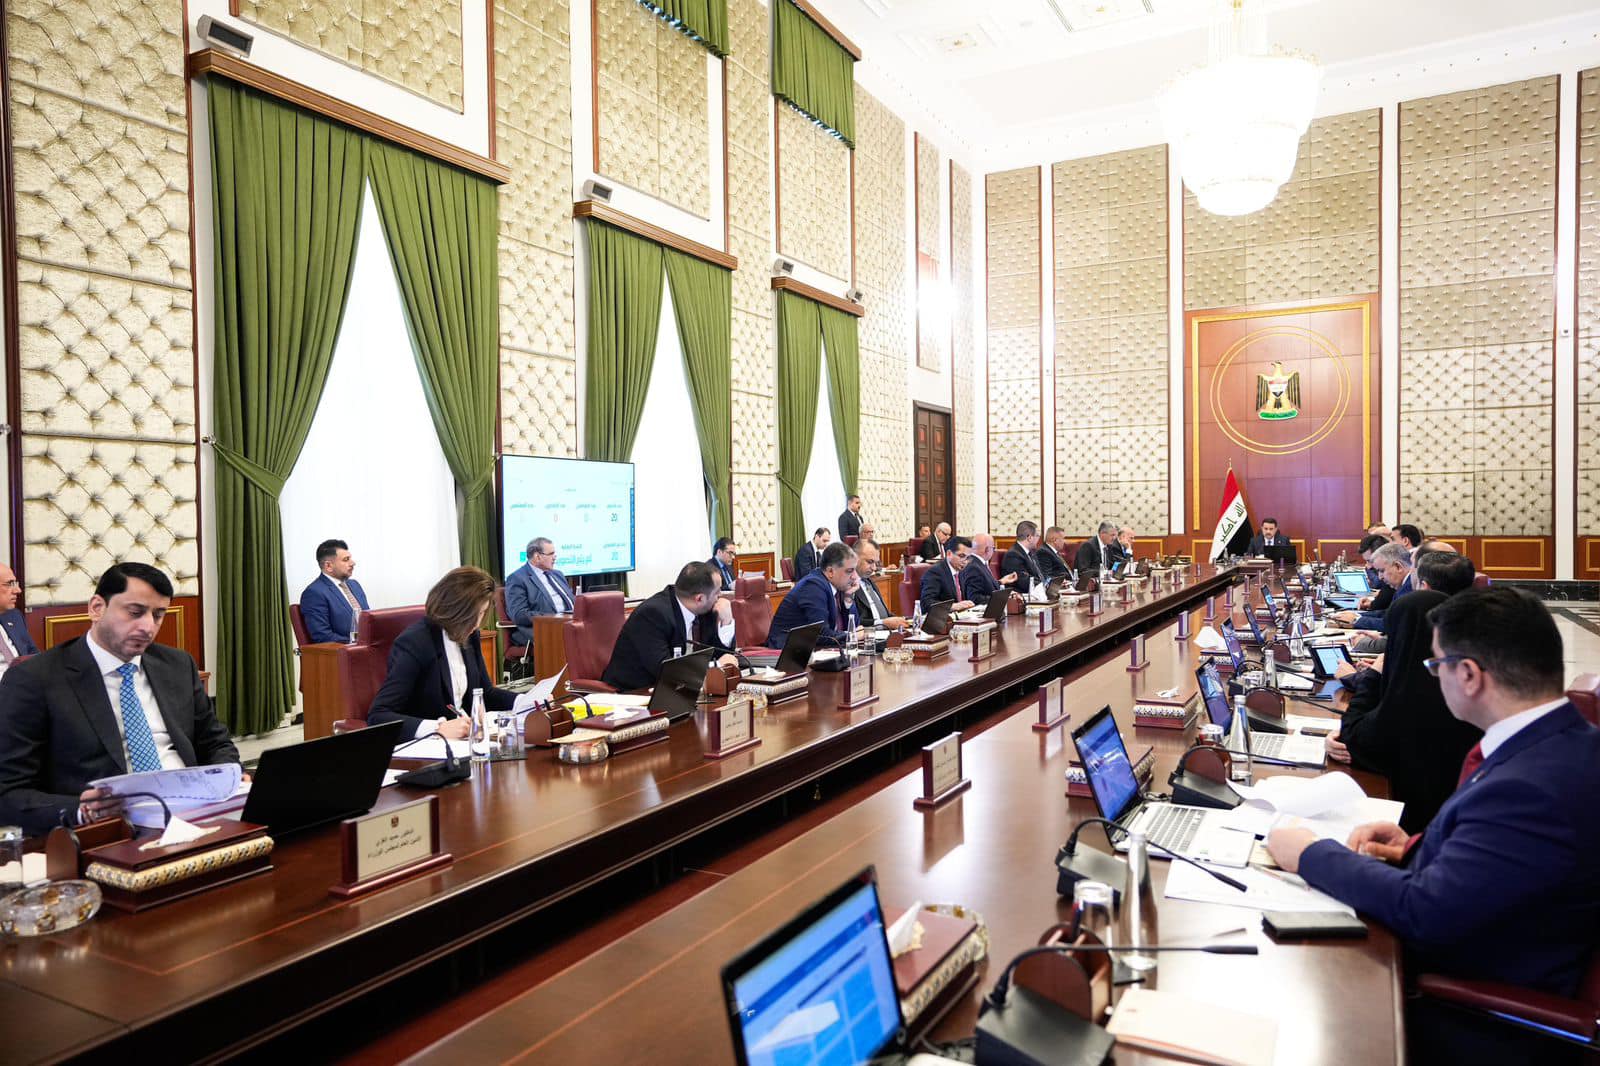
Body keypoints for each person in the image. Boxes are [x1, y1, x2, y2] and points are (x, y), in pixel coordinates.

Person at [1268, 587, 1600, 1062]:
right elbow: (1510, 861)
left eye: (1435, 665)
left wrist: (1309, 854)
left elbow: (1425, 913)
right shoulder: (1566, 741)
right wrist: (1416, 847)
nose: (1433, 676)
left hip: (1479, 1017)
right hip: (1497, 942)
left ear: (1468, 675)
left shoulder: (1528, 786)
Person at [0, 563, 241, 835]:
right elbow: (8, 792)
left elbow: (216, 742)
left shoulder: (177, 665)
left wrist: (230, 777)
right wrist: (79, 809)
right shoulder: (36, 680)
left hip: (196, 815)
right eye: (135, 612)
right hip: (109, 830)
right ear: (97, 608)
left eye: (158, 615)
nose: (148, 627)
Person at [1323, 564, 1481, 832]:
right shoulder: (1457, 681)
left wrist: (1373, 676)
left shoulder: (1417, 699)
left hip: (1417, 830)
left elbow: (1355, 738)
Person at [368, 567, 519, 743]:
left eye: (482, 613)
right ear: (456, 610)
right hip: (429, 747)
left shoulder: (470, 635)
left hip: (466, 741)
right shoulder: (415, 642)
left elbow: (485, 693)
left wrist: (525, 701)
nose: (478, 623)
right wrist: (437, 728)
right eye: (475, 615)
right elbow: (378, 715)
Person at [602, 562, 738, 691]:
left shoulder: (705, 609)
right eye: (717, 591)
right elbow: (666, 671)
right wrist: (716, 666)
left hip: (681, 691)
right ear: (699, 599)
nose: (720, 596)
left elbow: (724, 656)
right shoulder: (652, 614)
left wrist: (727, 622)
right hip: (634, 693)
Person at [768, 543, 860, 648]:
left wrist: (848, 598)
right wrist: (851, 635)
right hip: (786, 650)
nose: (854, 577)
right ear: (830, 571)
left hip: (813, 649)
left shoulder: (838, 586)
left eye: (855, 570)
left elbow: (855, 627)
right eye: (849, 571)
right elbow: (821, 634)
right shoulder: (813, 587)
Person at [505, 537, 575, 647]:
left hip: (570, 624)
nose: (555, 557)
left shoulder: (558, 574)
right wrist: (554, 617)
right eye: (551, 554)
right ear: (537, 557)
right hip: (543, 629)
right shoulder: (517, 579)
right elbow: (519, 615)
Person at [299, 539, 370, 644]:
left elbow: (368, 621)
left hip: (368, 647)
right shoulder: (314, 593)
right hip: (345, 651)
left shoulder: (355, 585)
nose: (353, 563)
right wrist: (357, 643)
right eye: (346, 560)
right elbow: (322, 636)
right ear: (328, 566)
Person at [1334, 541, 1412, 631]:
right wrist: (1356, 615)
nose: (1380, 577)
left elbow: (1393, 625)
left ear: (1398, 567)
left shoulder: (1410, 587)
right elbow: (1389, 614)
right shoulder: (1404, 584)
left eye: (1382, 571)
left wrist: (1357, 621)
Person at [852, 540, 907, 630]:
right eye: (870, 562)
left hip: (887, 632)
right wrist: (882, 623)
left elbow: (885, 615)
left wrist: (902, 621)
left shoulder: (869, 581)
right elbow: (853, 622)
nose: (874, 568)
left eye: (876, 563)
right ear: (855, 558)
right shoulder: (847, 585)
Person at [0, 562, 40, 676]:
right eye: (9, 584)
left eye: (15, 583)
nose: (18, 590)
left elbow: (33, 655)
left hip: (24, 682)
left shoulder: (14, 616)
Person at [920, 536, 976, 613]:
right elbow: (927, 603)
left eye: (968, 558)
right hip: (942, 618)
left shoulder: (961, 571)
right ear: (949, 554)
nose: (965, 561)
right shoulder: (935, 572)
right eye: (962, 556)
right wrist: (953, 606)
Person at [963, 533, 1017, 602]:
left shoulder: (978, 563)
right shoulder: (973, 567)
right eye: (993, 548)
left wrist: (1002, 581)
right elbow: (975, 598)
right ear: (987, 549)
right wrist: (1003, 598)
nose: (994, 551)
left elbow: (985, 586)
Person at [1001, 521, 1048, 595]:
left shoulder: (1031, 553)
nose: (1039, 539)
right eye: (1037, 536)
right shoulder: (1013, 555)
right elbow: (1024, 581)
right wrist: (1045, 586)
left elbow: (1039, 575)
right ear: (1029, 537)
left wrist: (1050, 582)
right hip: (1023, 596)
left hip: (1037, 594)